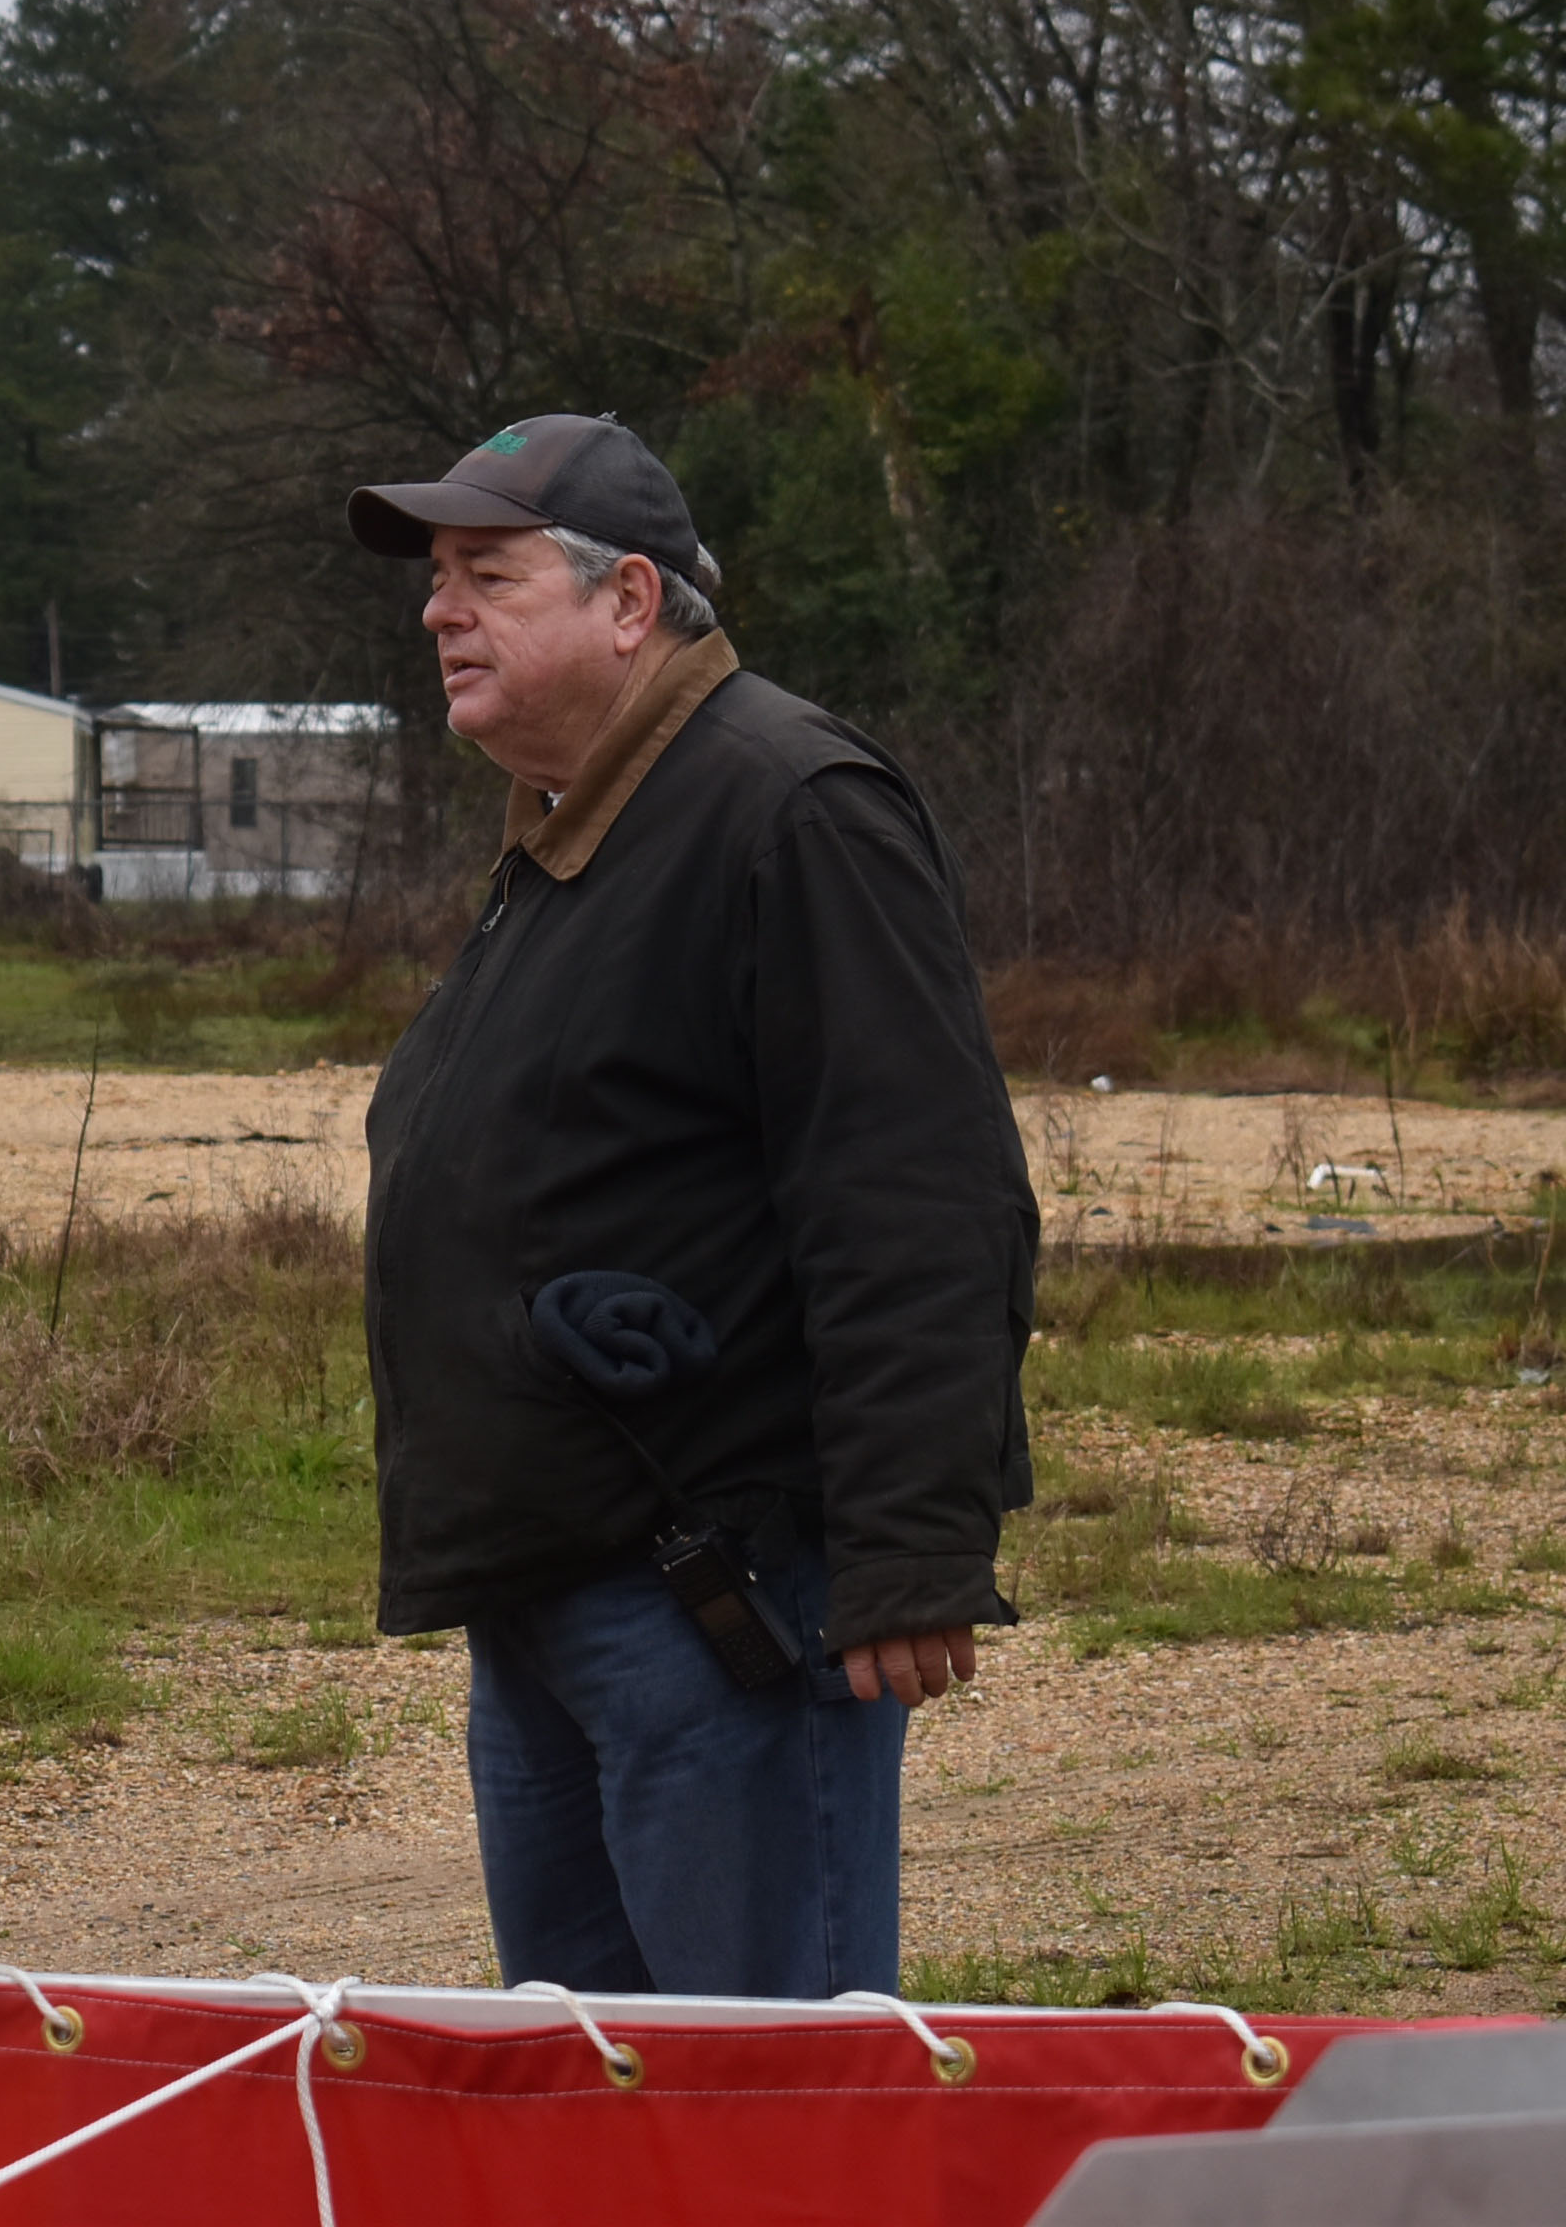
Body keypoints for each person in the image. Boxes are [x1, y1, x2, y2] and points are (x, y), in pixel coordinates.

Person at [346, 412, 1034, 2001]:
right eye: (437, 579)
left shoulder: (789, 806)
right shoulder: (577, 826)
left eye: (486, 575)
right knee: (598, 2110)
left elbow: (915, 1188)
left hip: (721, 1598)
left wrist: (914, 1548)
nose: (439, 611)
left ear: (630, 602)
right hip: (548, 1589)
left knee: (761, 2110)